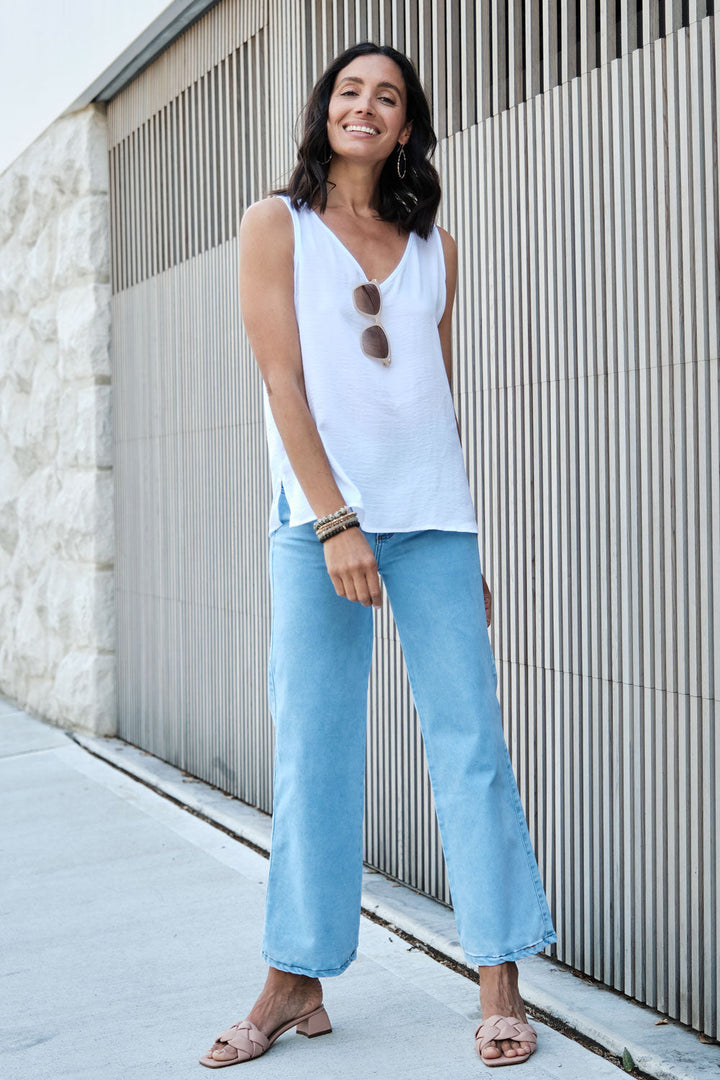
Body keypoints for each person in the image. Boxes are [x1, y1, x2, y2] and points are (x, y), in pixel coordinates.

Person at [199, 42, 557, 1071]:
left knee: (470, 746)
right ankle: (293, 977)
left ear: (406, 128)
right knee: (314, 750)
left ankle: (498, 976)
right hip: (319, 521)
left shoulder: (435, 243)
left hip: (433, 522)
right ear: (325, 112)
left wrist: (465, 535)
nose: (367, 106)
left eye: (388, 98)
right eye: (352, 91)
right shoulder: (276, 225)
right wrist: (334, 521)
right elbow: (282, 384)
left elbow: (434, 404)